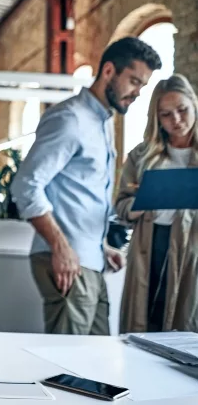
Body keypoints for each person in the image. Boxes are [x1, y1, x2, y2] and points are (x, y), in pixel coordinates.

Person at [10, 37, 162, 335]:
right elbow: (26, 185)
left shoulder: (100, 121)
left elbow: (78, 194)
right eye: (133, 81)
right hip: (69, 259)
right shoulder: (70, 118)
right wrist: (61, 247)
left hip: (88, 259)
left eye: (142, 86)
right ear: (108, 71)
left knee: (96, 361)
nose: (137, 93)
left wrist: (100, 246)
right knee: (71, 369)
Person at [116, 74, 198, 333]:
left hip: (192, 247)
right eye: (166, 114)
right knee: (146, 318)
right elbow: (120, 205)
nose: (176, 120)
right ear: (156, 118)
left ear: (194, 105)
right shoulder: (141, 155)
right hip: (150, 245)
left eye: (182, 110)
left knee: (185, 320)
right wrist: (141, 202)